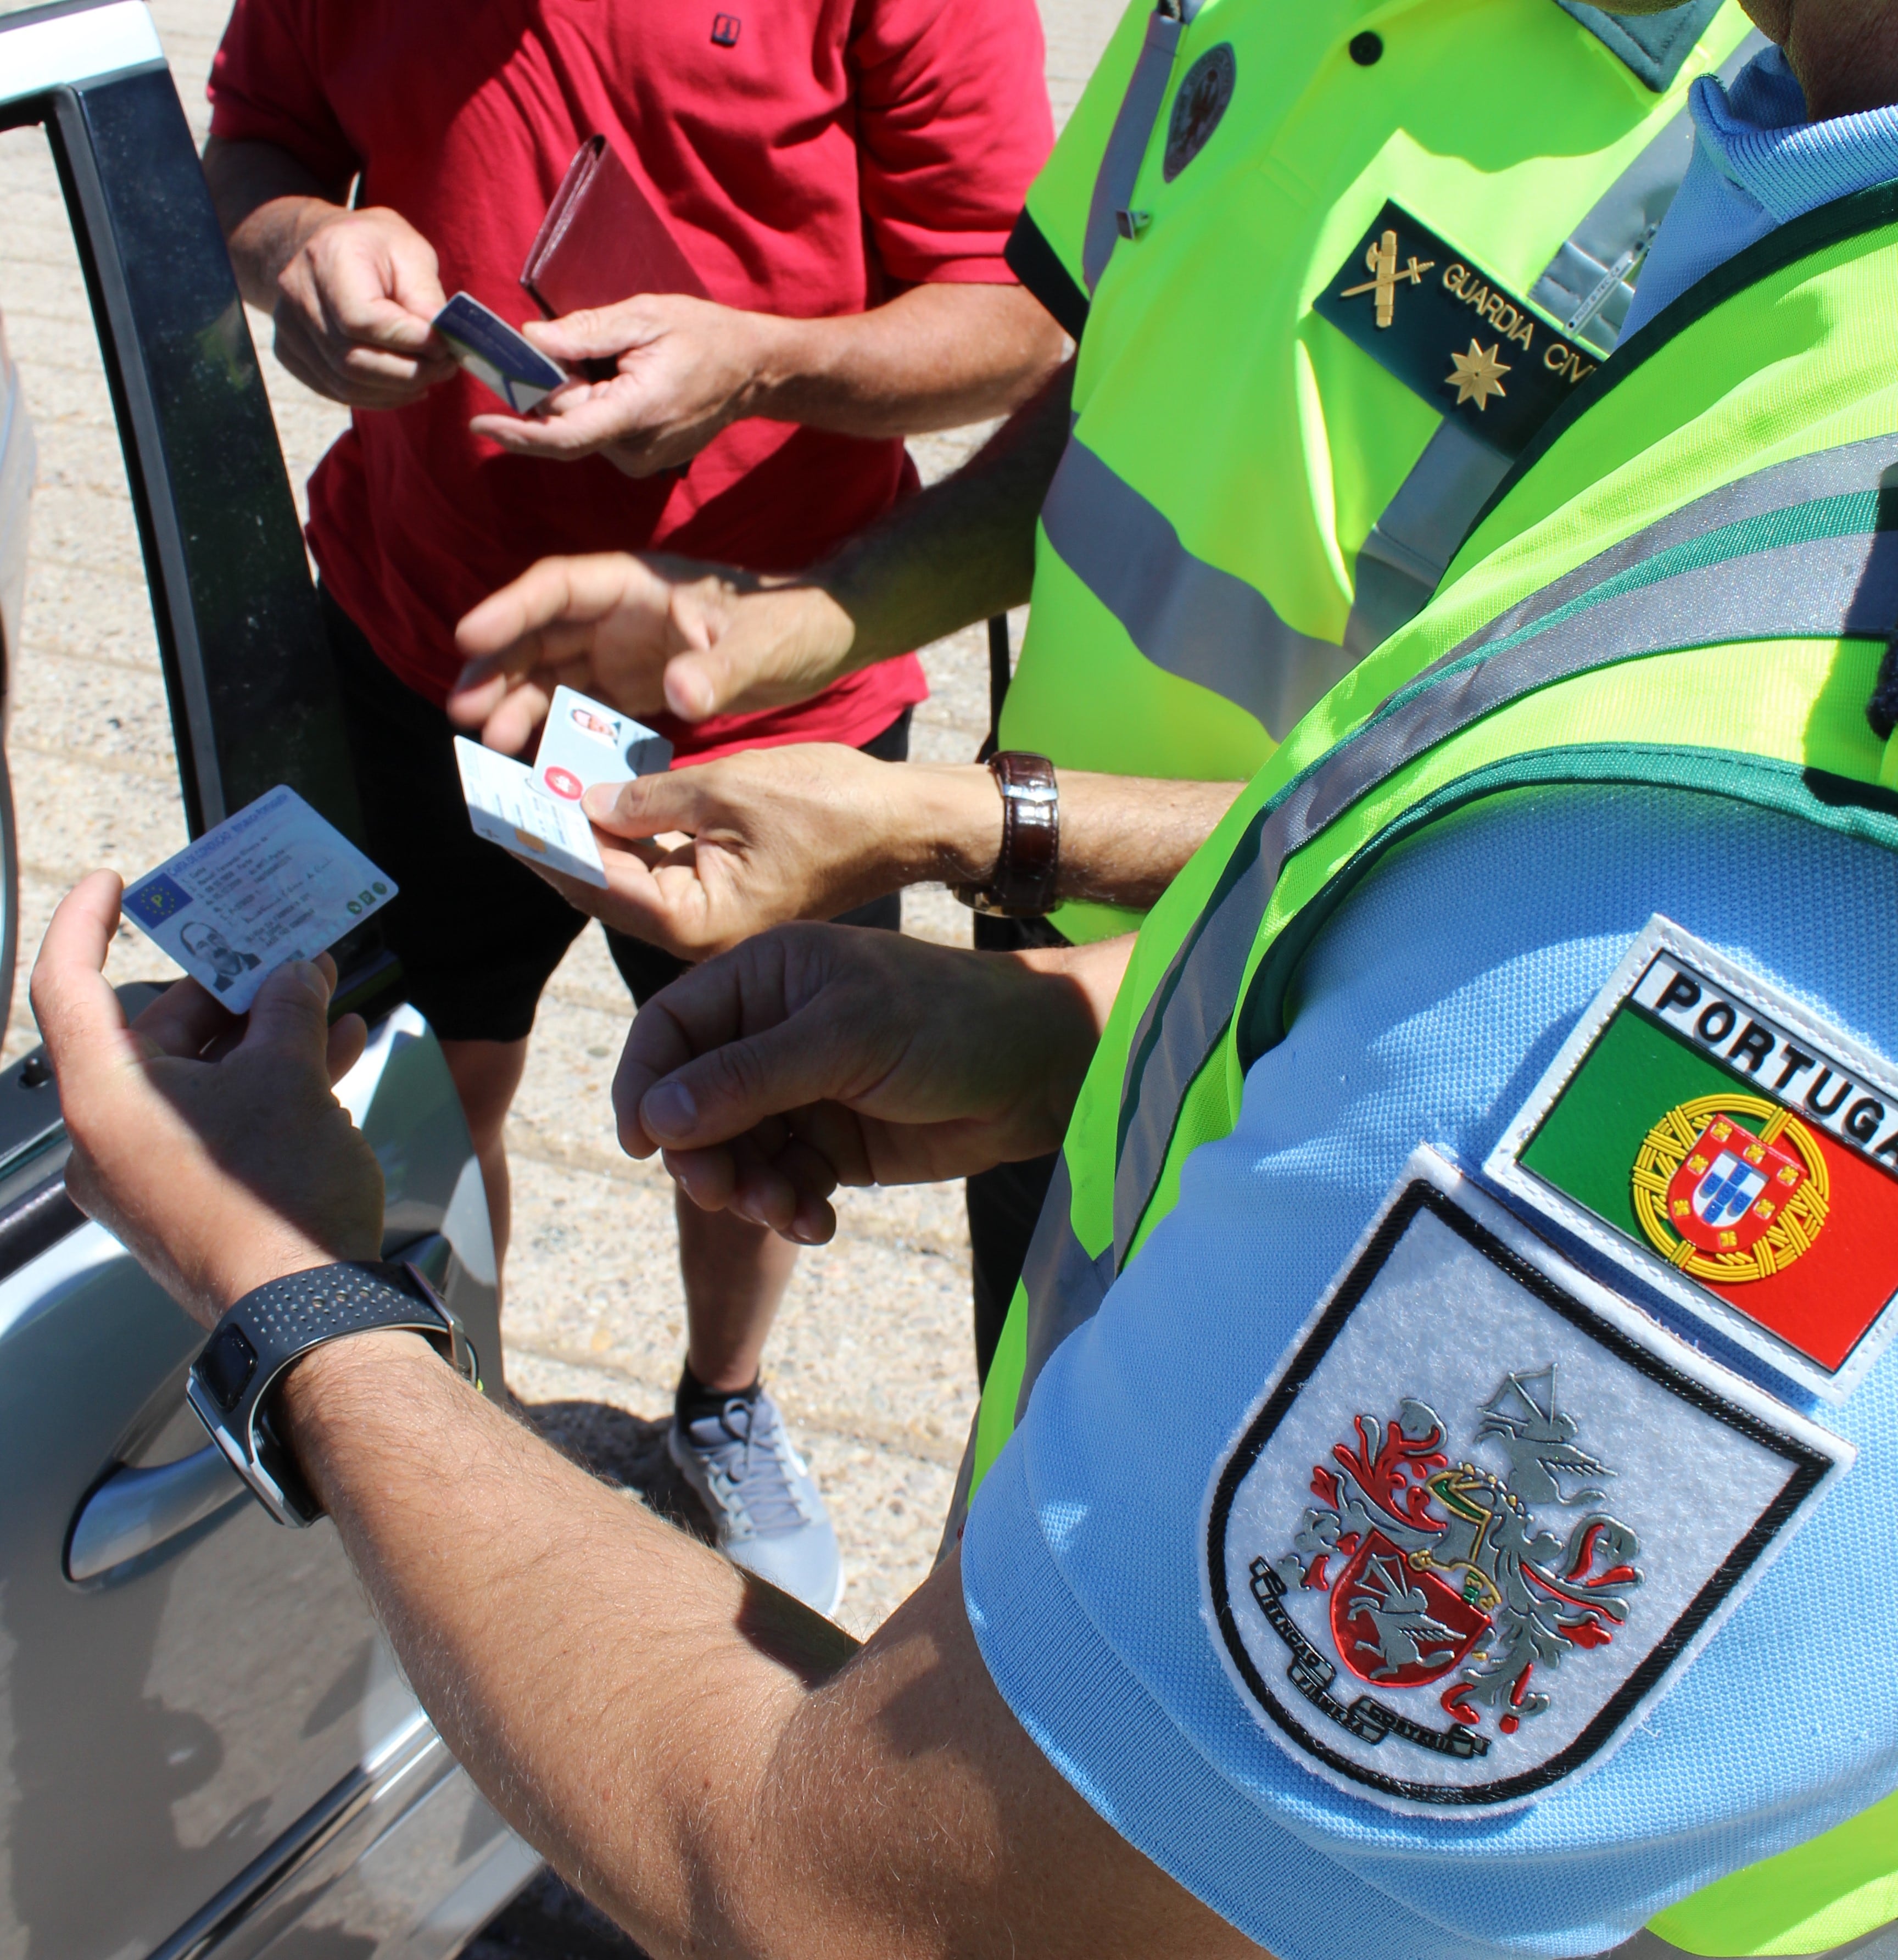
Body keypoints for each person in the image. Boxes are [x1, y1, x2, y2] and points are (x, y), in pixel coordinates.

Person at [445, 2, 1898, 1952]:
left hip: (1374, 1086)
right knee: (1040, 1616)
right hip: (1122, 1014)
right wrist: (786, 629)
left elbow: (1502, 763)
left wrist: (974, 821)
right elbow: (1095, 380)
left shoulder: (1712, 143)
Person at [446, 0, 1759, 1389]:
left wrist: (948, 821)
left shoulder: (1765, 134)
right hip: (1027, 997)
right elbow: (1103, 410)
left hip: (1311, 1084)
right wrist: (770, 625)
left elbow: (1545, 804)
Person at [199, 0, 1064, 1612]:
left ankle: (722, 1400)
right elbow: (251, 138)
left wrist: (768, 366)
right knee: (417, 1076)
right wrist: (301, 248)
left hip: (765, 689)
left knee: (754, 1110)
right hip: (420, 649)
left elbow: (1023, 316)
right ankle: (456, 1395)